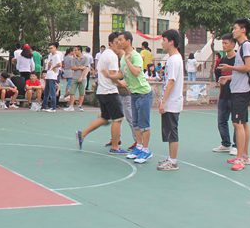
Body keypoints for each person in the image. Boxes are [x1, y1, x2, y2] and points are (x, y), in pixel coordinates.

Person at [76, 33, 126, 154]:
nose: (119, 44)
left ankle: (82, 134)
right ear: (110, 43)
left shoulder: (104, 54)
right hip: (110, 92)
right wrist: (121, 83)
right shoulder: (112, 56)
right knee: (118, 119)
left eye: (120, 41)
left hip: (102, 91)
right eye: (116, 42)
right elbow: (113, 76)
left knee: (105, 118)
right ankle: (115, 147)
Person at [222, 18, 250, 172]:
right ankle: (245, 155)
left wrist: (230, 68)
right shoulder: (243, 47)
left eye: (235, 28)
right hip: (239, 89)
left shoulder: (246, 46)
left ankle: (240, 158)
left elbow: (249, 67)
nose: (233, 31)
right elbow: (242, 71)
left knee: (238, 124)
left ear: (243, 30)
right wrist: (228, 77)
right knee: (244, 123)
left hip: (241, 91)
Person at [119, 32, 154, 164]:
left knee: (144, 124)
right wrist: (110, 77)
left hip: (144, 93)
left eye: (121, 40)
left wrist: (128, 61)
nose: (119, 42)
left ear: (128, 41)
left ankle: (146, 150)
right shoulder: (123, 58)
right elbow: (124, 75)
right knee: (136, 123)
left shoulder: (135, 56)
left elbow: (136, 72)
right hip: (133, 94)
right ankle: (139, 147)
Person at [157, 29, 184, 171]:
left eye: (164, 40)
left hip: (172, 103)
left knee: (172, 132)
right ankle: (170, 158)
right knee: (169, 131)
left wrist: (164, 101)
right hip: (170, 102)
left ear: (171, 42)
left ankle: (173, 162)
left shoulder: (174, 60)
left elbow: (171, 82)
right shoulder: (173, 58)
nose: (162, 43)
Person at [213, 33, 237, 155]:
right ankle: (226, 143)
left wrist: (229, 77)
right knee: (221, 121)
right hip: (223, 95)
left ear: (233, 44)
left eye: (226, 43)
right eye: (222, 43)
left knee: (236, 122)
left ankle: (236, 146)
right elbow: (218, 75)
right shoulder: (222, 60)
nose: (223, 45)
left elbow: (241, 76)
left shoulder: (238, 60)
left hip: (235, 95)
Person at [41, 43, 62, 112]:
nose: (50, 49)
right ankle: (44, 106)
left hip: (53, 76)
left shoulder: (57, 56)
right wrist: (46, 71)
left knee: (52, 92)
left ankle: (53, 108)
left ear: (55, 48)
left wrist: (53, 67)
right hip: (48, 74)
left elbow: (60, 64)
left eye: (51, 48)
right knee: (46, 92)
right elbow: (48, 64)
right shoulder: (50, 55)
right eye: (49, 48)